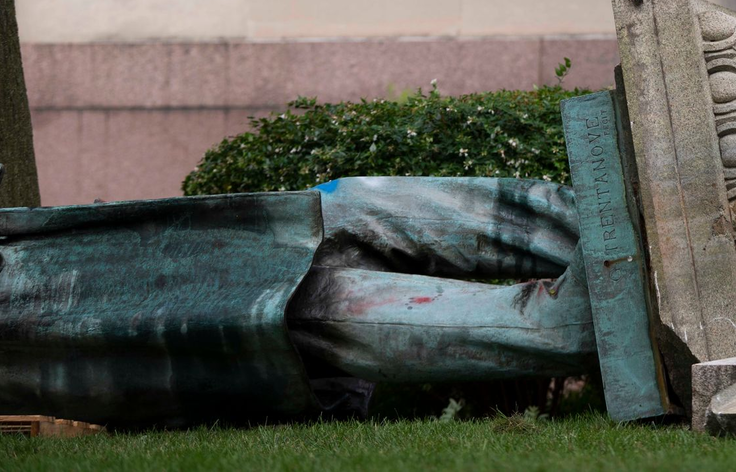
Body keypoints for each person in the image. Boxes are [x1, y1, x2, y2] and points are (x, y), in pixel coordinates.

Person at [0, 177, 596, 428]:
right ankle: (572, 324)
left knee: (348, 202)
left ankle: (592, 219)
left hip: (213, 244)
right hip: (106, 316)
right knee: (308, 311)